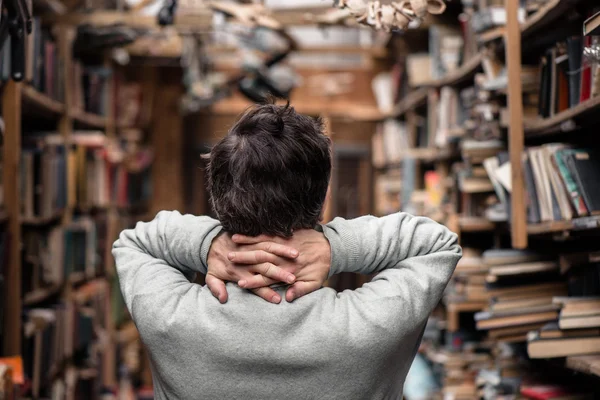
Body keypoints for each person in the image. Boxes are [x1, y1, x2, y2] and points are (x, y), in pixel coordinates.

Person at [112, 103, 461, 400]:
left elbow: (135, 241)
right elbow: (435, 243)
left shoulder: (171, 319)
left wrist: (208, 245)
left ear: (217, 202)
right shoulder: (369, 328)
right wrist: (334, 247)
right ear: (323, 201)